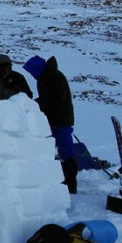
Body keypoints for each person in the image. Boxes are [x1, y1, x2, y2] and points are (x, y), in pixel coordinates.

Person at [23, 55, 77, 194]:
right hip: (53, 119)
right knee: (49, 148)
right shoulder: (46, 77)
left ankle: (70, 183)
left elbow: (57, 98)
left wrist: (39, 105)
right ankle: (58, 177)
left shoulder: (53, 77)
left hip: (61, 119)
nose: (32, 75)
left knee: (65, 150)